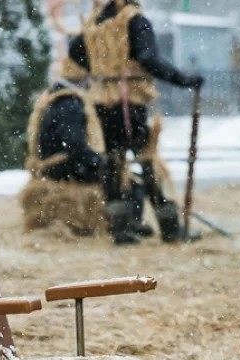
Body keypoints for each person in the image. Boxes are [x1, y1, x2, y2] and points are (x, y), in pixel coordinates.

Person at [68, 0, 203, 244]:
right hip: (130, 100)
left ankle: (121, 228)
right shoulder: (135, 20)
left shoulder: (96, 23)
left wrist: (103, 70)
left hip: (103, 100)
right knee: (147, 162)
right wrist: (184, 80)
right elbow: (149, 58)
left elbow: (75, 49)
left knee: (113, 162)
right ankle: (170, 228)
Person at [20, 58, 110, 238]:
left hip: (51, 166)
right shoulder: (70, 103)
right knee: (118, 176)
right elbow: (74, 146)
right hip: (63, 168)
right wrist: (99, 161)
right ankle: (123, 226)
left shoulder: (52, 98)